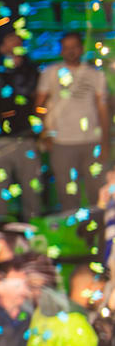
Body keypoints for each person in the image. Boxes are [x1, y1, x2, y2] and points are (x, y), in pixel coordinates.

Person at [36, 31, 109, 214]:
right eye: (66, 47)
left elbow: (103, 109)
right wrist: (45, 133)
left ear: (81, 49)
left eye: (74, 47)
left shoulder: (96, 75)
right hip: (61, 142)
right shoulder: (50, 72)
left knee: (97, 192)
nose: (71, 51)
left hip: (92, 141)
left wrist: (105, 141)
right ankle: (72, 229)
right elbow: (40, 105)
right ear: (61, 50)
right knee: (67, 193)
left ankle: (98, 228)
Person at [0, 29, 44, 219]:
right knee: (0, 195)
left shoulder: (32, 70)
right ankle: (1, 231)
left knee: (32, 193)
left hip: (26, 139)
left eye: (18, 40)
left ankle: (33, 230)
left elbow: (33, 96)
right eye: (11, 40)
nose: (16, 43)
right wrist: (11, 70)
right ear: (2, 47)